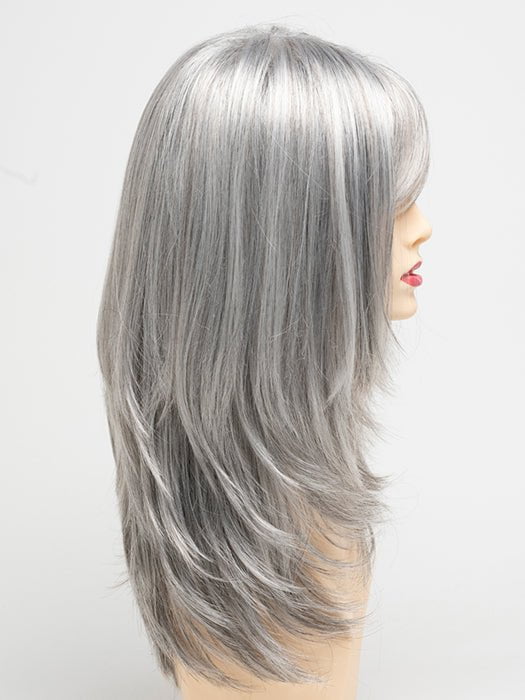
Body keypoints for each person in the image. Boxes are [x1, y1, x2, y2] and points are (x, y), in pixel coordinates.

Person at [96, 22, 432, 700]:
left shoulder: (295, 496)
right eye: (387, 204)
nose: (421, 226)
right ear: (281, 243)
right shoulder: (291, 524)